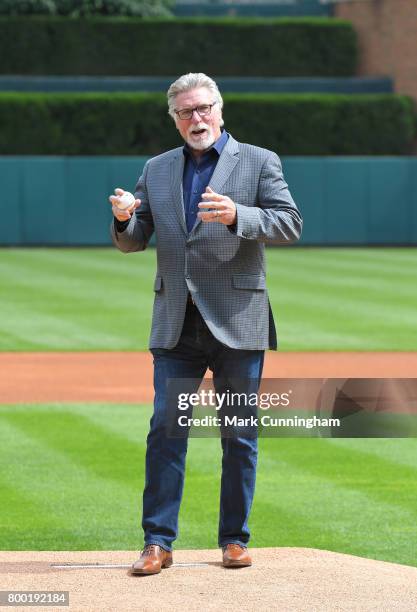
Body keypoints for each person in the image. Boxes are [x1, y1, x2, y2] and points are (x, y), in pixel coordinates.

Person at [109, 73, 302, 575]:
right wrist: (126, 218)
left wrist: (240, 215)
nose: (196, 119)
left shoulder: (259, 161)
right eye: (185, 112)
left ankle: (234, 540)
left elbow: (289, 223)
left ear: (220, 110)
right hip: (177, 325)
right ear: (174, 119)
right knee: (166, 432)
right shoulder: (156, 169)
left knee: (238, 434)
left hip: (238, 321)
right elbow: (134, 239)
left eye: (203, 109)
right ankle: (157, 543)